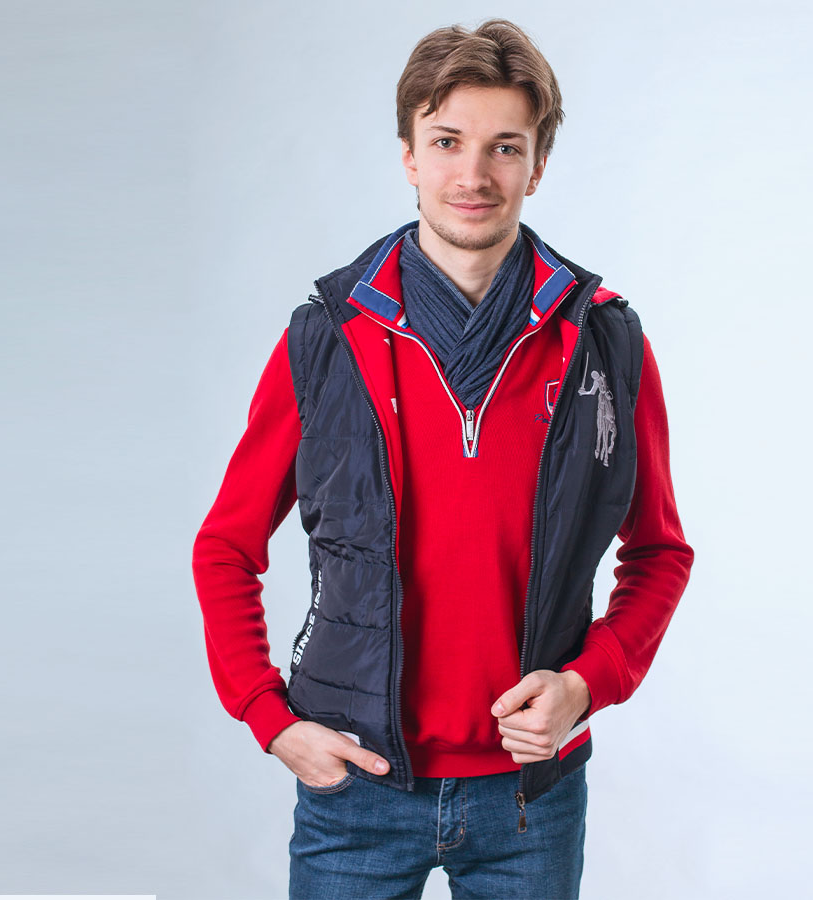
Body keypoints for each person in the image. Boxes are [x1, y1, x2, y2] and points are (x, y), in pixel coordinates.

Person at [192, 17, 694, 900]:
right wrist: (267, 717)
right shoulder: (328, 338)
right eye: (448, 142)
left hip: (532, 800)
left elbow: (659, 552)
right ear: (409, 157)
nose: (474, 175)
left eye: (506, 147)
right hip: (356, 787)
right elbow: (226, 546)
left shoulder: (605, 340)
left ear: (537, 165)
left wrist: (586, 686)